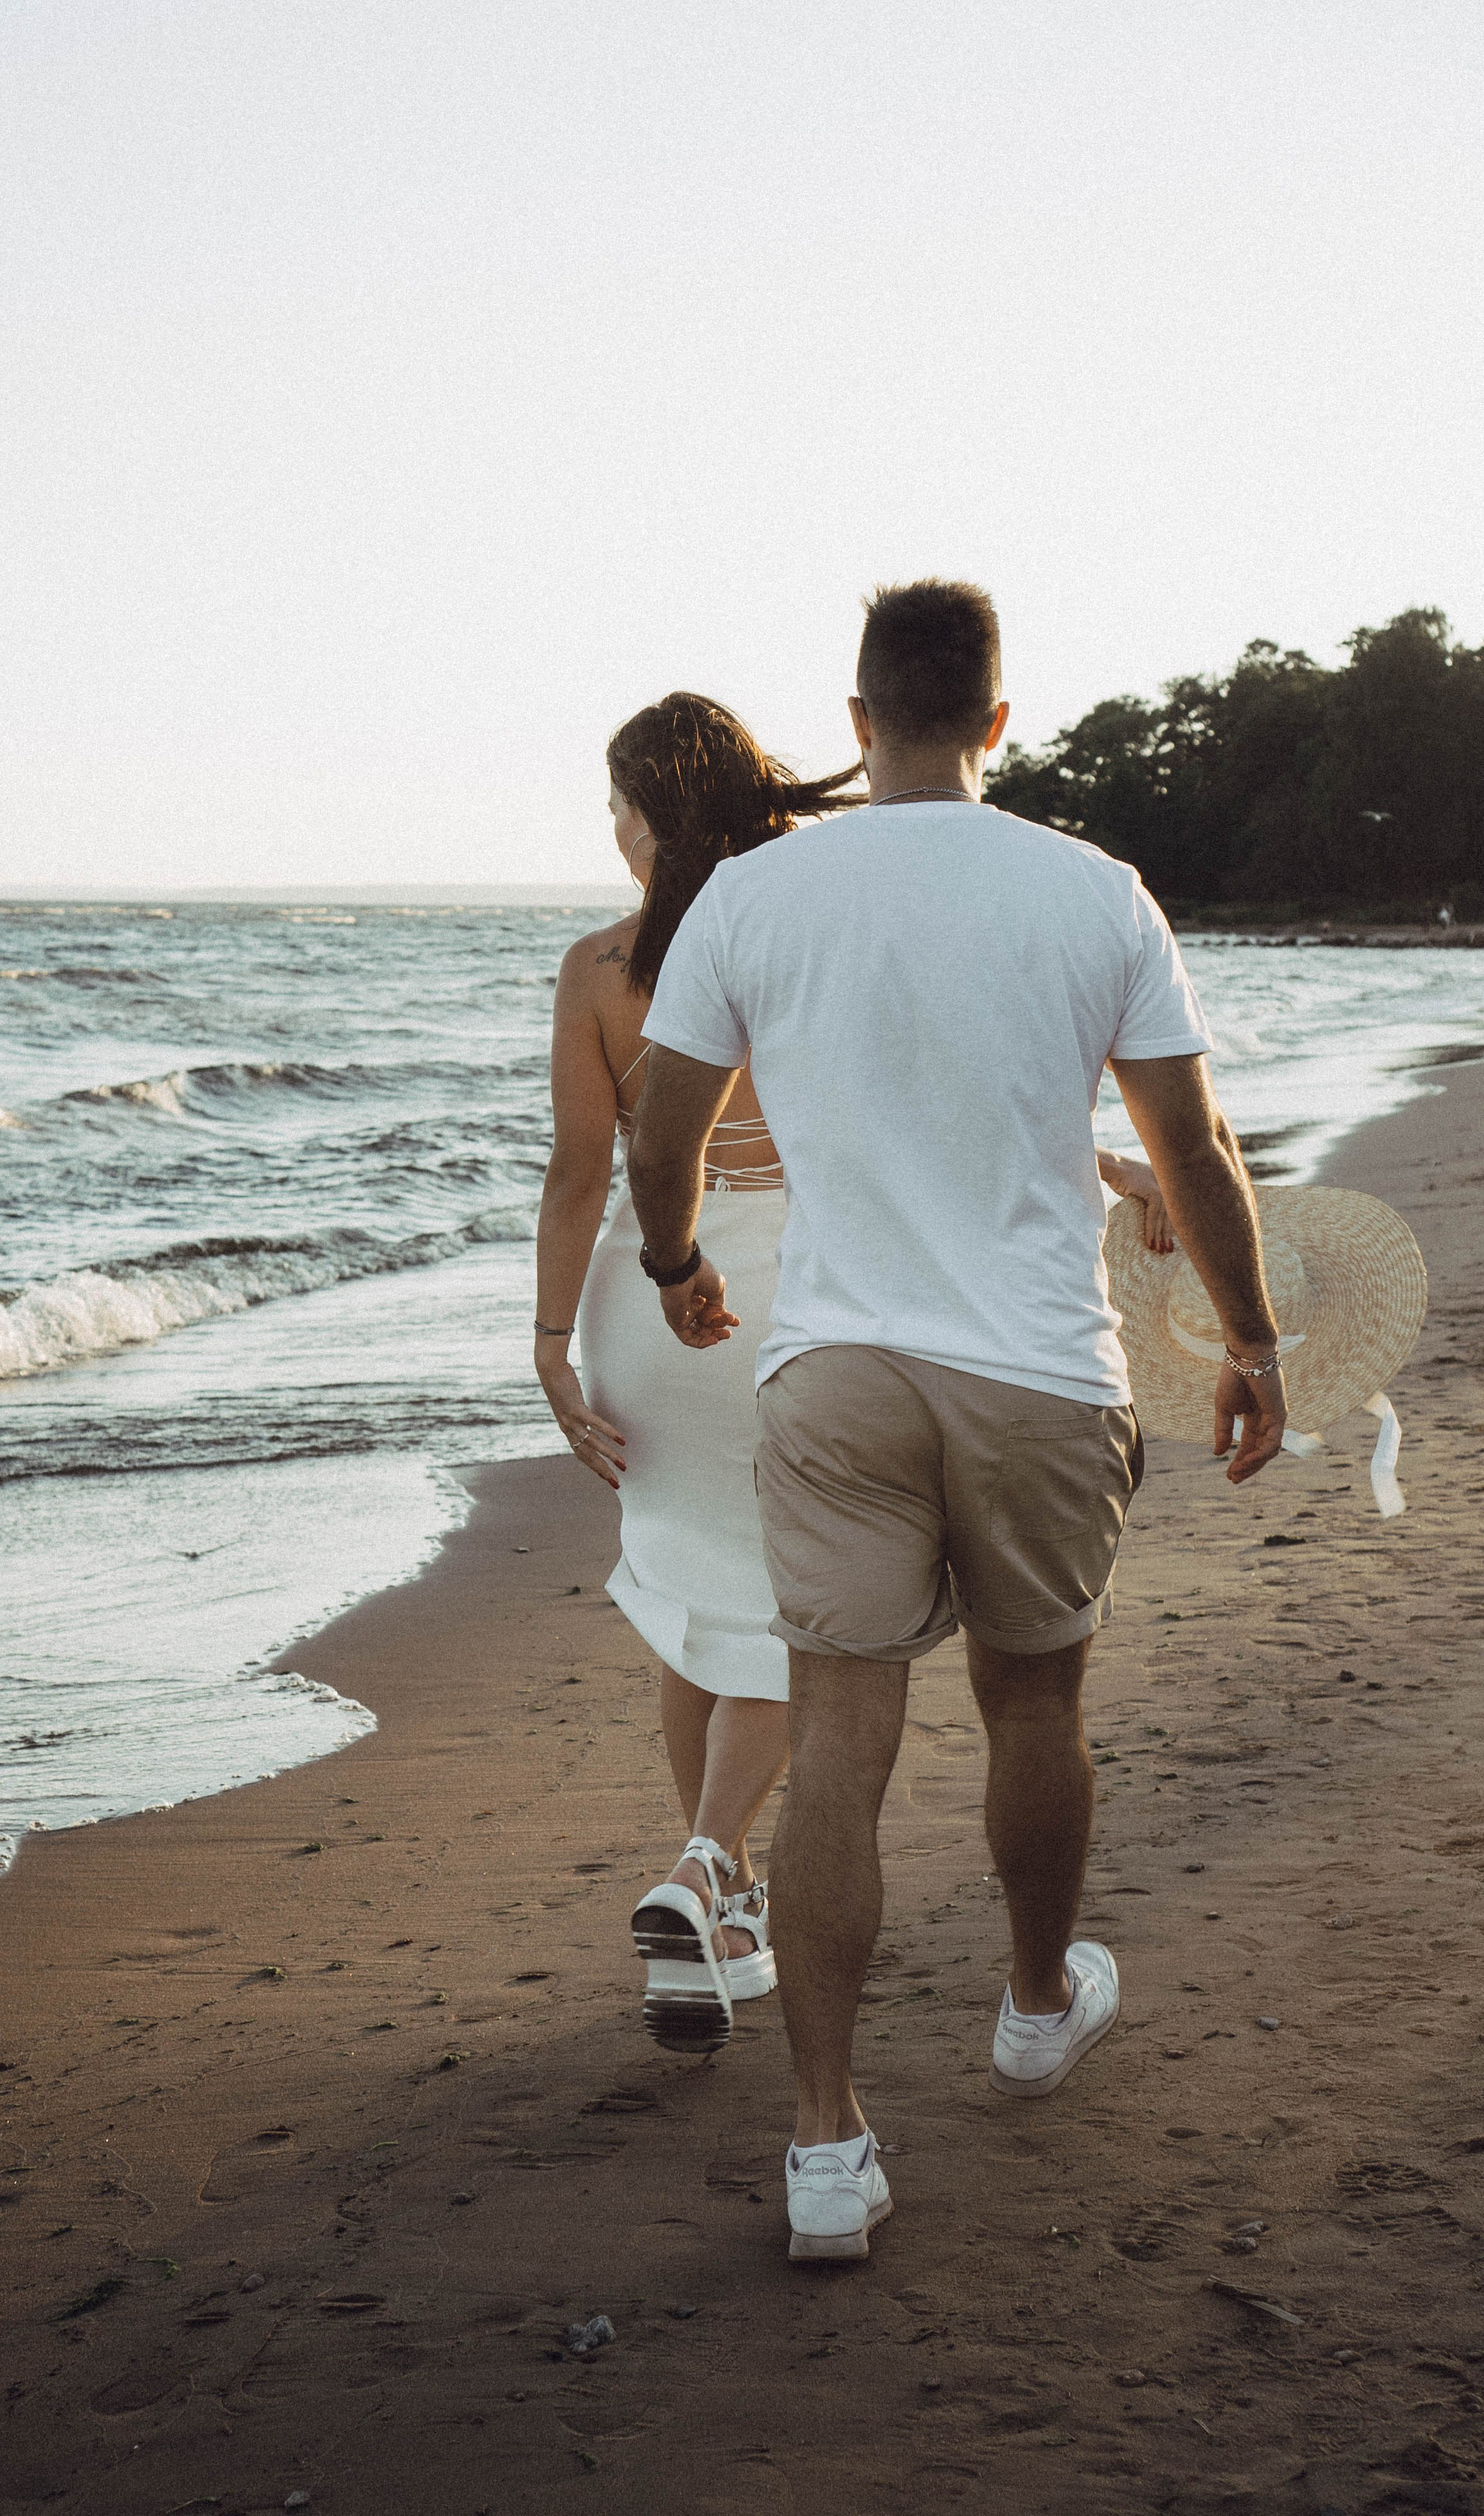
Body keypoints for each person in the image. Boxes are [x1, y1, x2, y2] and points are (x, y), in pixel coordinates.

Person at [625, 579, 1286, 2262]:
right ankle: (1031, 2004)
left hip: (835, 1369)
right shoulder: (1093, 893)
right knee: (1032, 1700)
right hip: (1039, 1369)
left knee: (840, 1738)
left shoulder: (758, 894)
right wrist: (1253, 1340)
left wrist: (677, 1261)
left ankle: (825, 2145)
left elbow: (661, 1121)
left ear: (854, 723)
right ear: (999, 719)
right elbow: (1192, 1151)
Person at [533, 692, 1177, 2061]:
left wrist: (547, 1343)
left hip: (650, 1294)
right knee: (783, 1613)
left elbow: (587, 1171)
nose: (609, 829)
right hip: (793, 1286)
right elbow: (934, 1100)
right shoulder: (811, 914)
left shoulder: (599, 968)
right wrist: (1117, 1167)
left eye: (614, 804)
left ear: (648, 815)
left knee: (689, 1602)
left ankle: (721, 1909)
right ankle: (711, 1865)